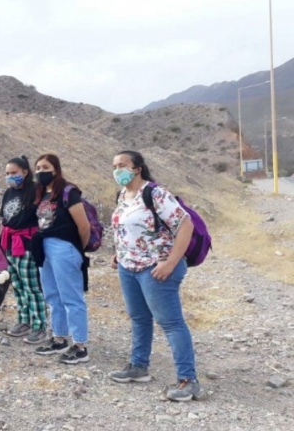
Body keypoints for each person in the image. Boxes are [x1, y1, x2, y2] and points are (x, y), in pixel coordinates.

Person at [108, 150, 201, 402]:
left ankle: (188, 380)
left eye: (123, 165)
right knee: (139, 318)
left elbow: (186, 225)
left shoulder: (155, 193)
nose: (118, 170)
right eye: (115, 165)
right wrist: (120, 252)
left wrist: (170, 262)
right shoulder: (123, 195)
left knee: (171, 323)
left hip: (156, 267)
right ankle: (138, 367)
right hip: (129, 267)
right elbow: (127, 228)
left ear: (137, 168)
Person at [29, 154, 91, 364]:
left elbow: (84, 226)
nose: (40, 171)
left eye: (45, 167)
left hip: (64, 247)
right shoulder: (42, 194)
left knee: (71, 297)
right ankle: (59, 338)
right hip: (45, 247)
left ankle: (80, 346)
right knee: (52, 296)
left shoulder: (68, 192)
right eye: (37, 168)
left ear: (55, 169)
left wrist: (76, 250)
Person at [0, 156, 48, 344]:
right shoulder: (8, 193)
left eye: (14, 173)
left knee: (32, 287)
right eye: (7, 173)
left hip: (27, 243)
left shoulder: (35, 191)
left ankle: (39, 325)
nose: (10, 176)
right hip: (10, 243)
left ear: (25, 172)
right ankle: (24, 320)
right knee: (18, 286)